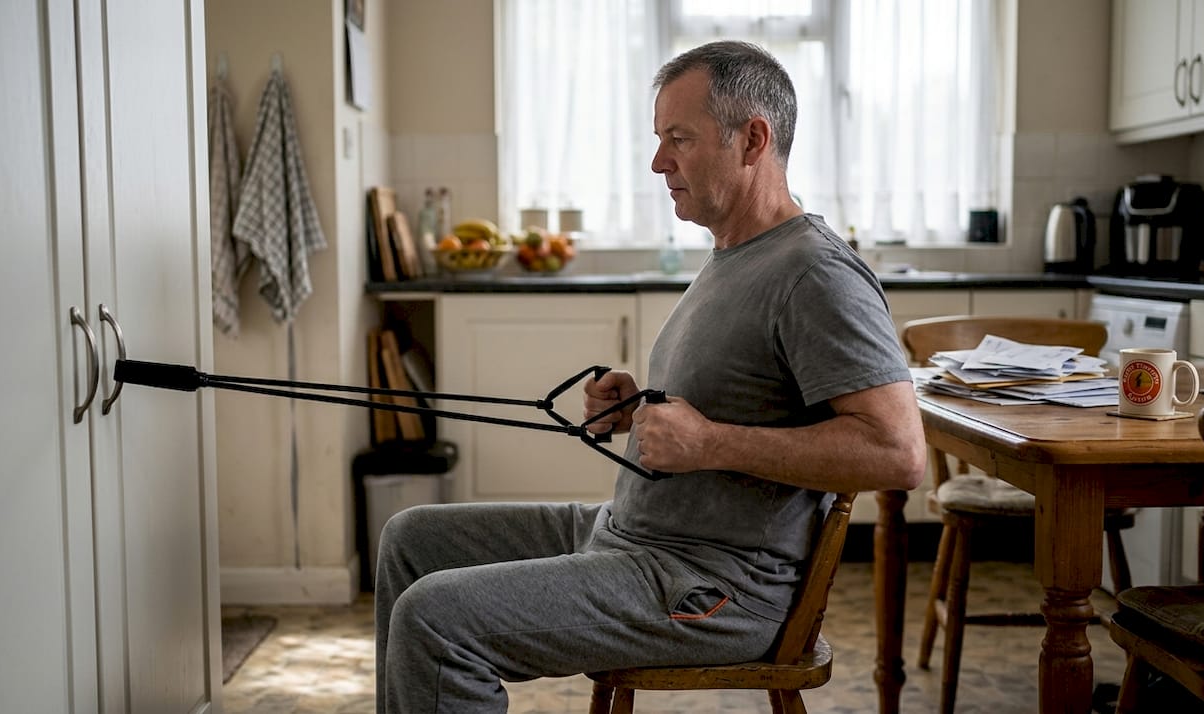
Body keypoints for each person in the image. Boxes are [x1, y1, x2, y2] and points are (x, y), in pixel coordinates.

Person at [375, 40, 926, 713]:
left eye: (678, 139)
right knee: (411, 540)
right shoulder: (735, 253)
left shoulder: (815, 274)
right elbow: (747, 399)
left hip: (712, 584)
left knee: (436, 619)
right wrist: (641, 407)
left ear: (752, 139)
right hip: (633, 536)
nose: (658, 161)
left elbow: (898, 453)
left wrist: (710, 443)